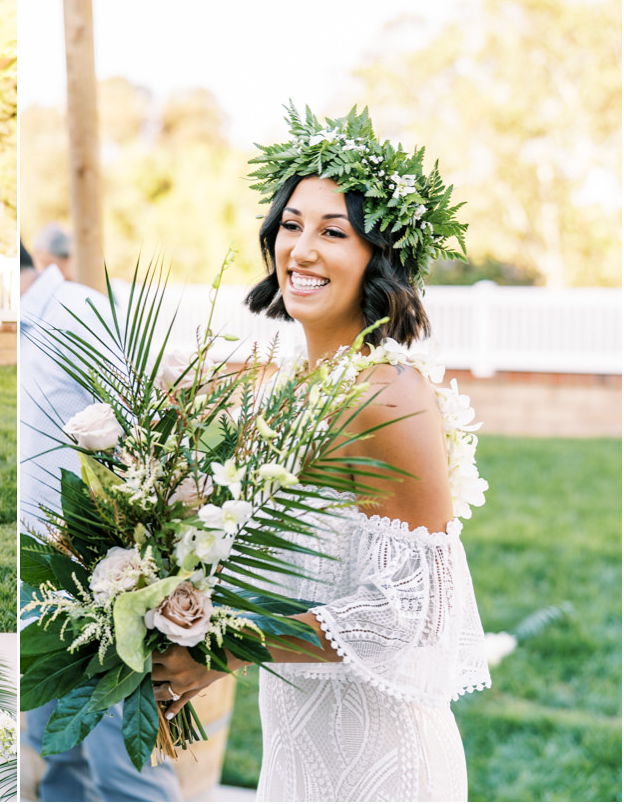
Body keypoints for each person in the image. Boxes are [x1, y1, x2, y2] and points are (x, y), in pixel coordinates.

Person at [150, 106, 492, 801]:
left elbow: (417, 609)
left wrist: (222, 649)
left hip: (380, 764)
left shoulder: (387, 393)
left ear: (378, 255)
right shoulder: (285, 386)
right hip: (297, 752)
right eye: (291, 224)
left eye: (333, 232)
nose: (300, 250)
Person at [20, 240, 183, 802]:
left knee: (126, 762)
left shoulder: (76, 312)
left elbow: (143, 434)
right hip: (36, 572)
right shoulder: (27, 327)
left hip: (99, 574)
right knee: (55, 748)